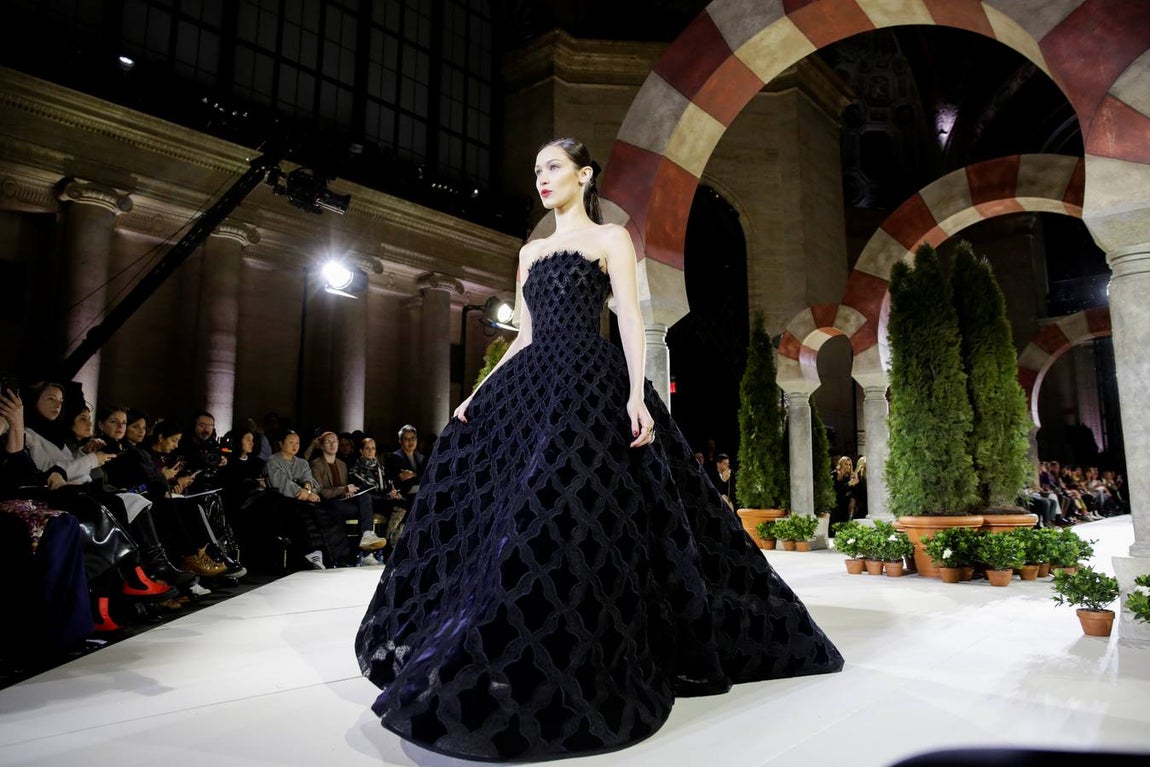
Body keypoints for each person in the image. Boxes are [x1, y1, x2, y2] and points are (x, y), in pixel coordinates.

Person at [356, 137, 843, 762]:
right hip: (535, 383)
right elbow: (525, 334)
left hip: (589, 380)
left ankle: (589, 645)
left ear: (584, 176)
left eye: (553, 167)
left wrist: (639, 396)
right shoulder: (530, 251)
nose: (542, 178)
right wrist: (479, 391)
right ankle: (505, 639)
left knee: (575, 504)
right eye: (536, 170)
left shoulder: (611, 239)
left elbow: (633, 321)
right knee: (509, 504)